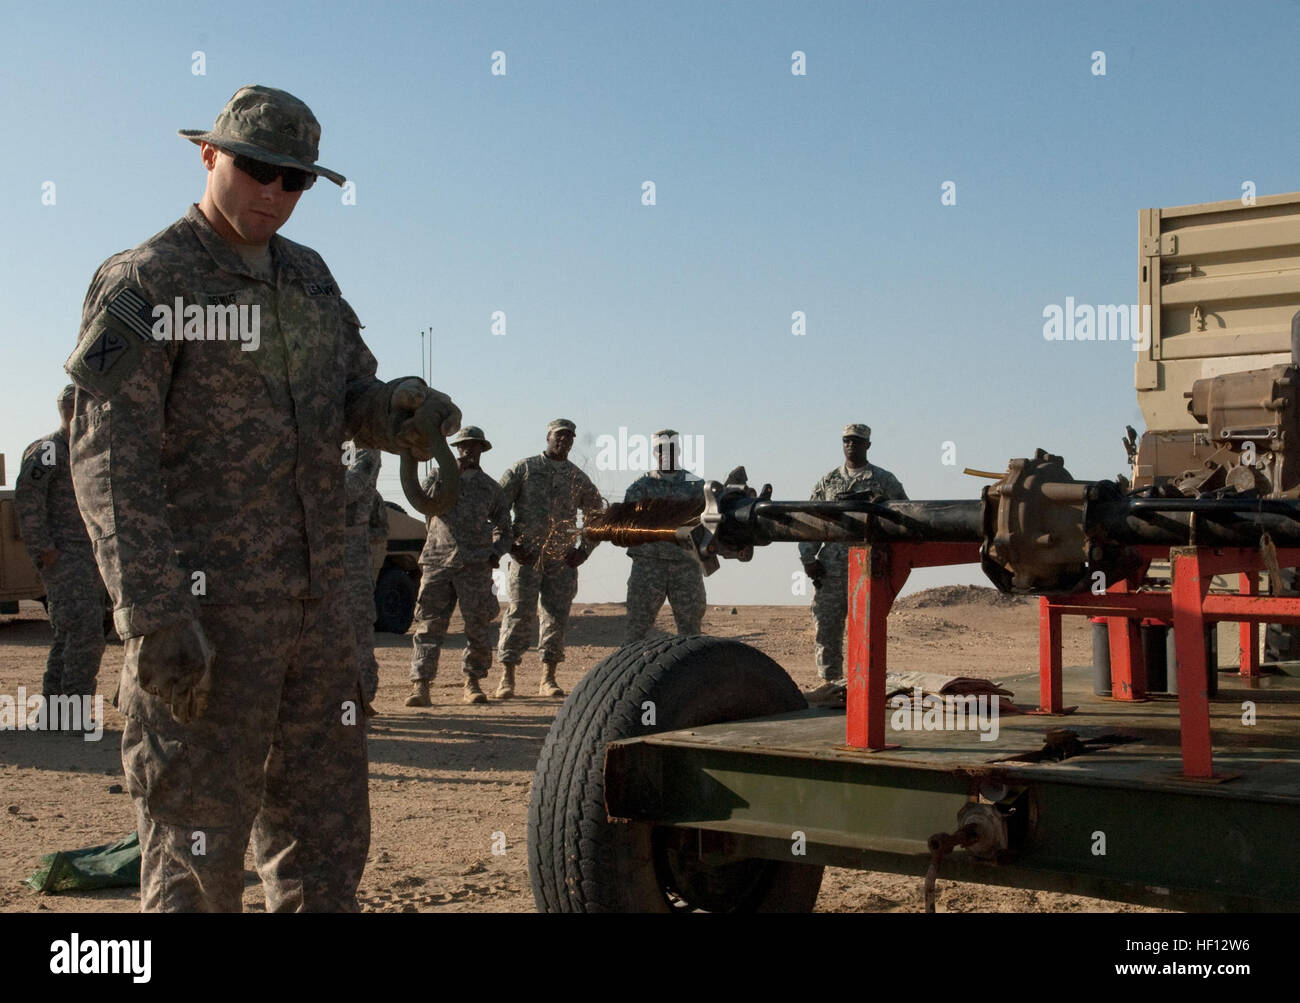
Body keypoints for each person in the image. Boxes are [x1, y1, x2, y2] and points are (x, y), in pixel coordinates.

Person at [63, 85, 461, 912]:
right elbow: (107, 456)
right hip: (206, 625)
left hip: (319, 624)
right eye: (258, 170)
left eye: (296, 181)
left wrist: (401, 410)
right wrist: (154, 613)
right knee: (196, 848)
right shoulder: (146, 282)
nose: (275, 194)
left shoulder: (308, 280)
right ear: (209, 155)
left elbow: (352, 395)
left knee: (325, 842)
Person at [14, 385, 108, 720]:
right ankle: (73, 713)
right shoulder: (49, 451)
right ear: (70, 410)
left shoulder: (88, 450)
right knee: (86, 634)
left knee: (69, 633)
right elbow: (28, 501)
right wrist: (43, 549)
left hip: (90, 558)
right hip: (65, 557)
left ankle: (53, 713)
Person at [495, 419, 605, 698]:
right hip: (527, 557)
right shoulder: (525, 469)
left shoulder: (577, 477)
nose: (563, 441)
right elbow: (497, 507)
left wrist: (584, 549)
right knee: (519, 614)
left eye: (569, 437)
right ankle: (507, 678)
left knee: (556, 617)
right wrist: (511, 545)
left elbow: (597, 514)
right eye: (558, 436)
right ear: (548, 437)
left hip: (561, 561)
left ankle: (548, 678)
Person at [798, 424, 907, 698]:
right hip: (831, 569)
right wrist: (808, 557)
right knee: (827, 626)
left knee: (867, 628)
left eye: (857, 442)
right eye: (846, 441)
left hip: (870, 566)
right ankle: (831, 684)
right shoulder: (828, 481)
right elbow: (810, 520)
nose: (850, 446)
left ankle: (864, 683)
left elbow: (905, 516)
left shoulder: (883, 480)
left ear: (867, 445)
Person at [407, 426, 511, 707]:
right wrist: (447, 472)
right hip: (437, 561)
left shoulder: (490, 488)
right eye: (463, 446)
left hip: (475, 566)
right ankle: (421, 685)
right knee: (429, 625)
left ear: (482, 449)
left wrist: (495, 553)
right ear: (456, 449)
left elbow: (505, 526)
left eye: (474, 446)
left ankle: (473, 682)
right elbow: (422, 503)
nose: (468, 450)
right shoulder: (439, 476)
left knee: (477, 626)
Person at [622, 429, 706, 644]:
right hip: (649, 567)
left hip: (685, 566)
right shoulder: (641, 487)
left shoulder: (696, 485)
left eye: (670, 449)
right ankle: (632, 675)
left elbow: (708, 523)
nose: (665, 454)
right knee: (636, 629)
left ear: (678, 451)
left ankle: (692, 677)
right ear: (654, 453)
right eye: (660, 450)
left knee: (691, 632)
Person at [345, 446, 382, 716]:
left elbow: (350, 488)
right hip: (314, 540)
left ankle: (361, 696)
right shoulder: (326, 439)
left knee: (357, 623)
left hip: (349, 546)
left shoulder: (365, 448)